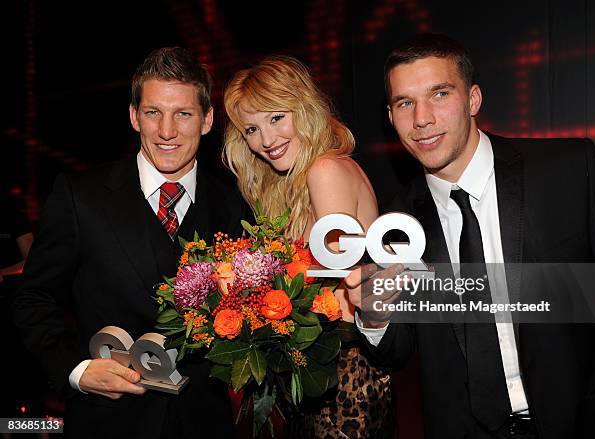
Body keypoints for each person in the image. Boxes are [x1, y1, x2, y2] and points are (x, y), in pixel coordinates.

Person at [348, 34, 595, 438]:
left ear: (473, 100)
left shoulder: (568, 170)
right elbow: (395, 351)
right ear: (391, 115)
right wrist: (375, 313)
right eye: (405, 103)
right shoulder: (395, 224)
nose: (421, 118)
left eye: (439, 94)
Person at [12, 47, 249, 438]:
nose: (167, 131)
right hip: (107, 421)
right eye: (153, 112)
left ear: (207, 120)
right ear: (133, 116)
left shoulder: (234, 205)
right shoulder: (80, 196)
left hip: (205, 424)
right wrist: (77, 369)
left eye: (183, 114)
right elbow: (32, 298)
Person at [223, 56, 394, 438]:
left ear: (304, 108)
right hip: (324, 370)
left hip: (345, 375)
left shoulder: (325, 170)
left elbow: (330, 294)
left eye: (276, 117)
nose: (266, 140)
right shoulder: (298, 180)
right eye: (251, 128)